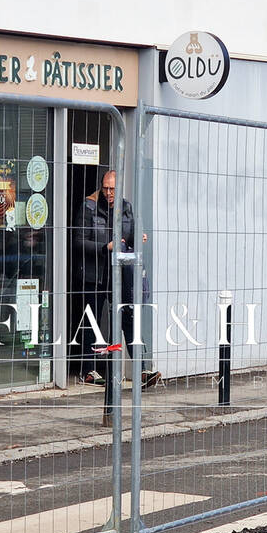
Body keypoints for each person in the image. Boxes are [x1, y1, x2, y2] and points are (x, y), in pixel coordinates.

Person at [71, 170, 161, 425]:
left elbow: (129, 234)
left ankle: (142, 369)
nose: (109, 194)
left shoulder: (126, 207)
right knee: (92, 319)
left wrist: (137, 238)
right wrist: (105, 247)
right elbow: (78, 241)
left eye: (114, 190)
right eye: (106, 189)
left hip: (117, 274)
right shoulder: (88, 206)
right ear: (101, 187)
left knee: (128, 318)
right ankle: (89, 370)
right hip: (93, 273)